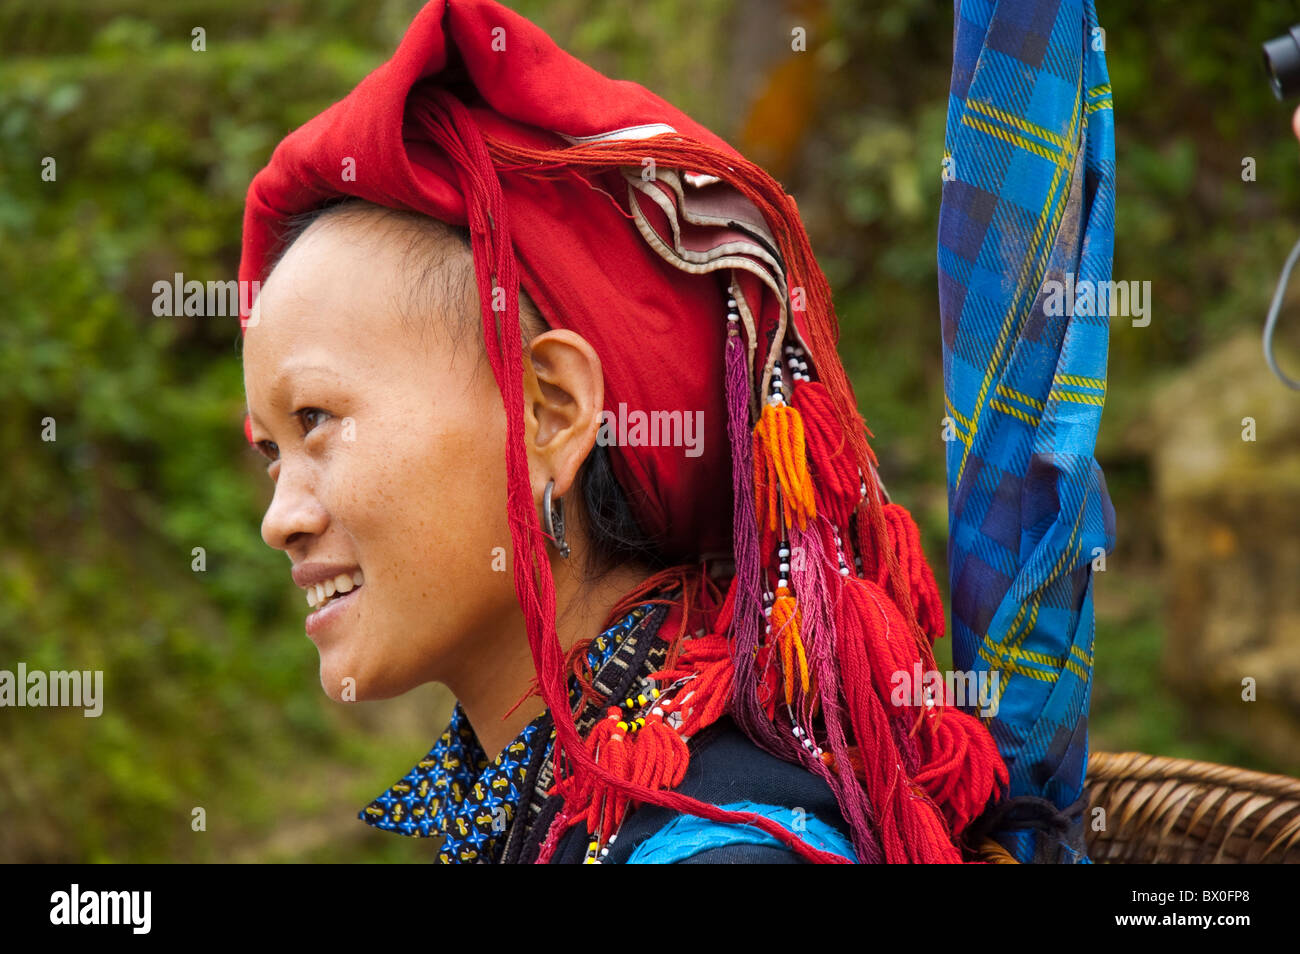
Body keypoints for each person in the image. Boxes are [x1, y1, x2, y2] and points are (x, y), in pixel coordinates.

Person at [239, 0, 1010, 864]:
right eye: (270, 453)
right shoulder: (545, 807)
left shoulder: (725, 850)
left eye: (317, 421)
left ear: (550, 413)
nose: (280, 519)